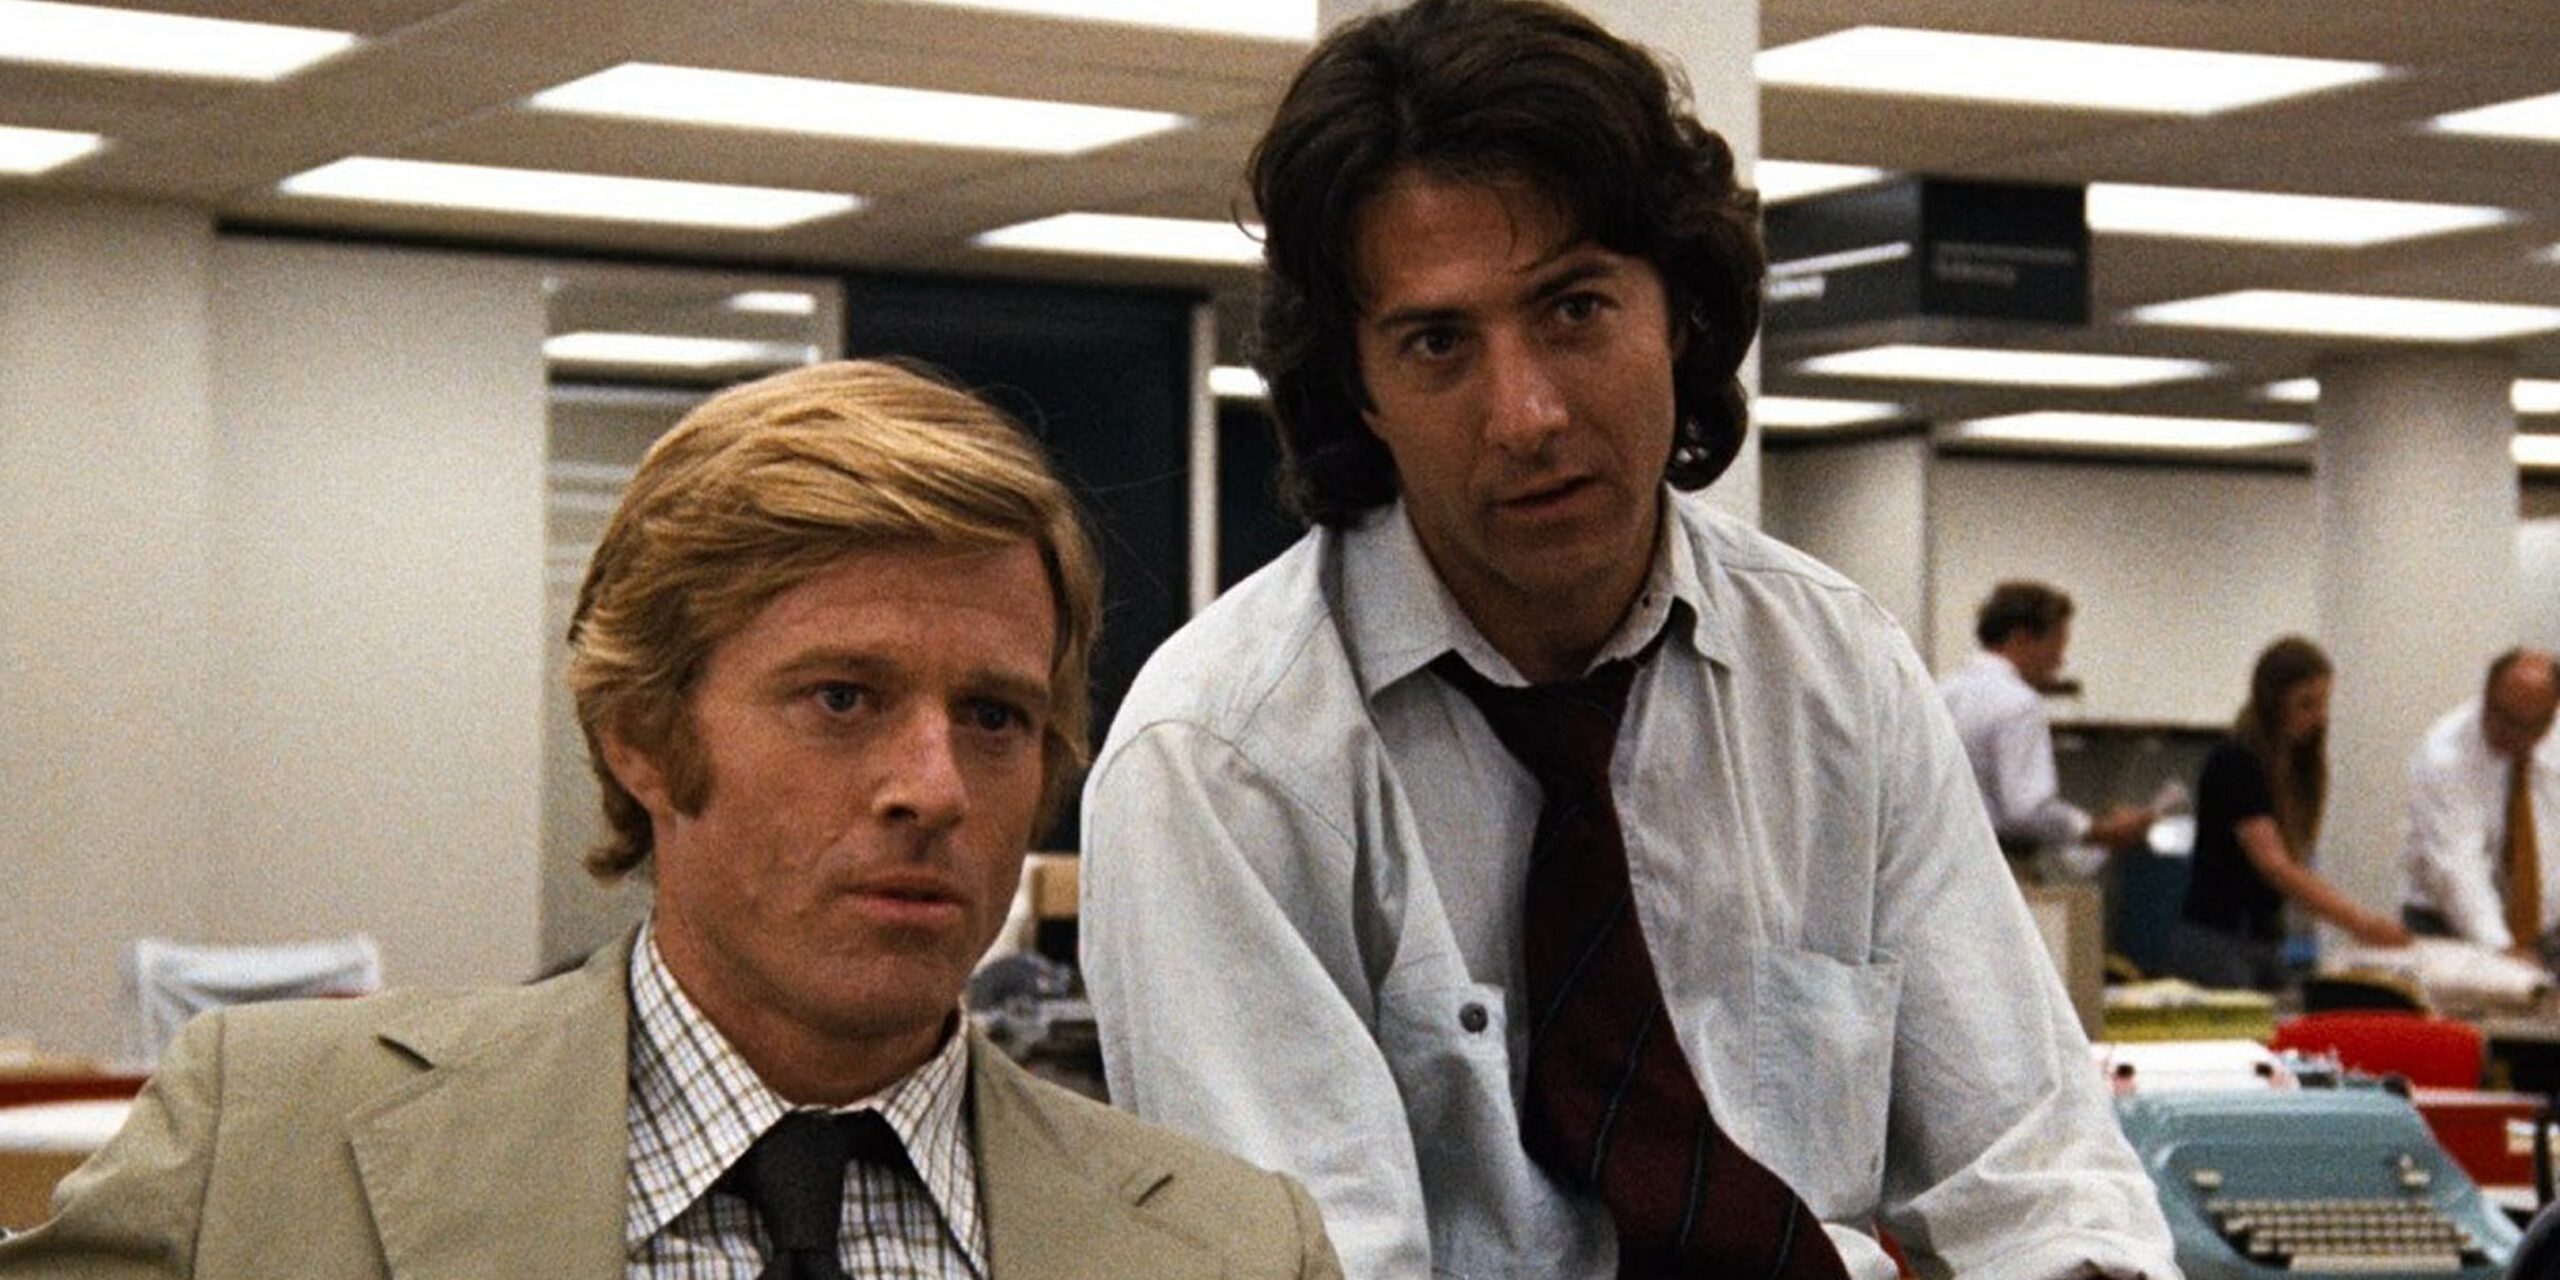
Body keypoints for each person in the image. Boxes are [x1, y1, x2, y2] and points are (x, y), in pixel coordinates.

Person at [1078, 2, 2176, 1277]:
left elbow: (2036, 1174)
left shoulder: (1836, 674)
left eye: (1574, 309)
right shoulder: (1223, 757)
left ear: (1680, 315)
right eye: (1438, 343)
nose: (1525, 413)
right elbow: (1313, 1265)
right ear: (1359, 388)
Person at [0, 361, 1342, 1279]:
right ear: (639, 733)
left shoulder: (1230, 1246)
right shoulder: (267, 1146)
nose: (934, 786)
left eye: (994, 716)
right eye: (842, 698)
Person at [2167, 636, 2410, 991]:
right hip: (2219, 940)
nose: (2319, 717)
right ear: (2273, 701)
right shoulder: (2236, 761)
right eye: (2306, 704)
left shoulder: (2290, 767)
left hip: (2262, 938)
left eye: (2323, 703)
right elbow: (2274, 865)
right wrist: (2360, 922)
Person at [1939, 581, 2154, 879]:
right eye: (2055, 645)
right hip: (1997, 867)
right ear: (2022, 639)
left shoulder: (1941, 692)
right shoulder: (2019, 704)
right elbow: (2027, 811)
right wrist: (2097, 829)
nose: (2059, 661)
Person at [2401, 648, 2560, 960]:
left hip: (2546, 928)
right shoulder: (2445, 754)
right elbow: (2458, 868)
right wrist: (2502, 949)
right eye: (2501, 716)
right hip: (2447, 923)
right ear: (2486, 694)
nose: (2510, 733)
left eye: (2527, 726)